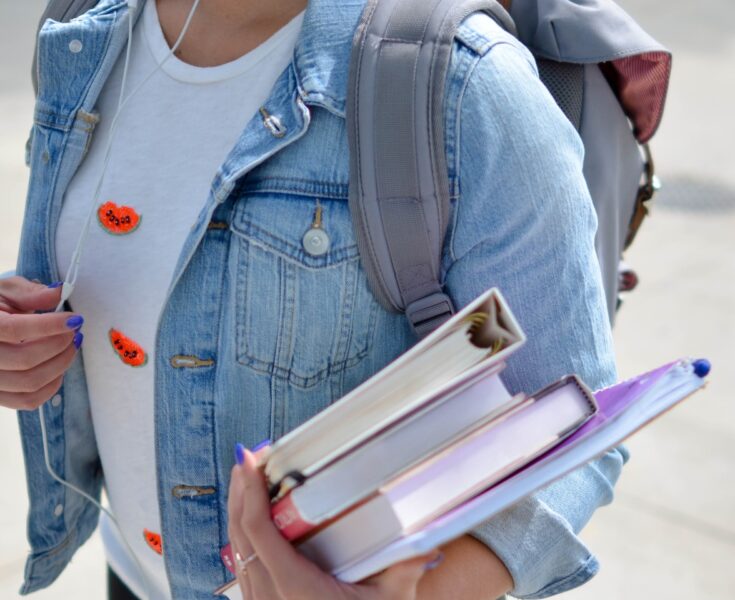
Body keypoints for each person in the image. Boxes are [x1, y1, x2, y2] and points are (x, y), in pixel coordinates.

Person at [5, 0, 627, 598]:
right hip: (133, 573)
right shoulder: (84, 27)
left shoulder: (462, 84)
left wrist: (424, 593)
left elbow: (575, 424)